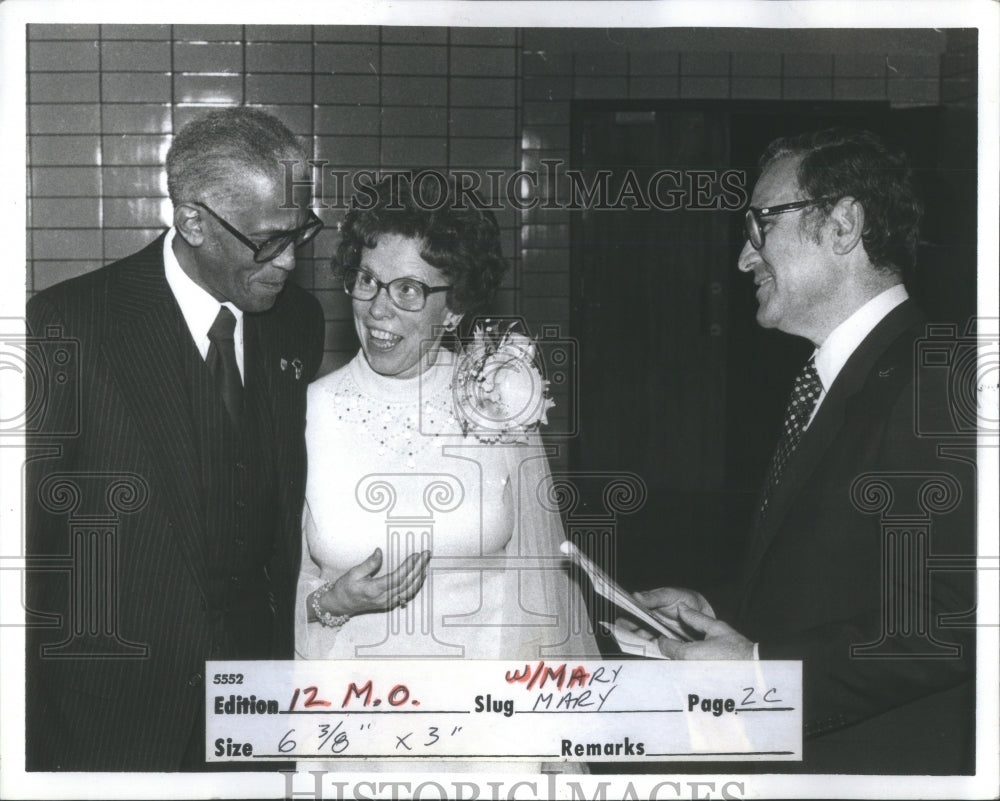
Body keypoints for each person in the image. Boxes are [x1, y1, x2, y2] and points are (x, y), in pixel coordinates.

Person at [631, 129, 976, 774]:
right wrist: (718, 611)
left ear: (844, 224)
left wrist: (761, 671)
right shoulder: (837, 374)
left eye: (761, 225)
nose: (743, 258)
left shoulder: (938, 380)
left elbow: (961, 615)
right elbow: (840, 576)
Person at [25, 107, 326, 771]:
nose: (291, 260)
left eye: (299, 232)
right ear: (192, 220)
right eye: (268, 240)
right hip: (109, 711)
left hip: (257, 696)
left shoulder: (298, 321)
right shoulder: (67, 325)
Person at [296, 176, 599, 771]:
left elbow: (544, 586)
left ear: (454, 303)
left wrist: (560, 746)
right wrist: (337, 600)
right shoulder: (308, 411)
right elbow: (290, 594)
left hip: (489, 738)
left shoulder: (498, 401)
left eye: (409, 289)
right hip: (357, 733)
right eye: (367, 279)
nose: (378, 307)